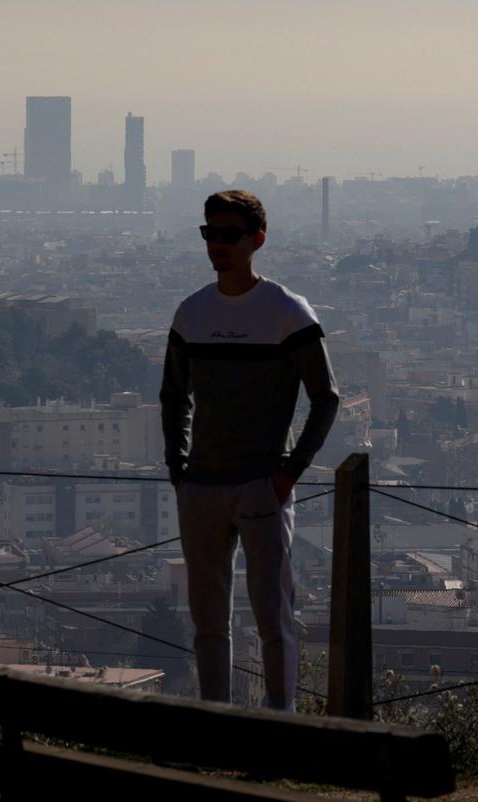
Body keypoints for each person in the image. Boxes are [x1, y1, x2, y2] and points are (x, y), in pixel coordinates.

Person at [160, 191, 340, 710]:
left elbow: (325, 397)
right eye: (210, 233)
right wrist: (180, 470)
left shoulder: (286, 312)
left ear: (257, 240)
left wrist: (289, 474)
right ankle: (217, 728)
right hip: (203, 488)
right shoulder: (192, 313)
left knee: (272, 617)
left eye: (229, 234)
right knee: (208, 622)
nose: (218, 244)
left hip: (262, 485)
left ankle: (278, 732)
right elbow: (174, 396)